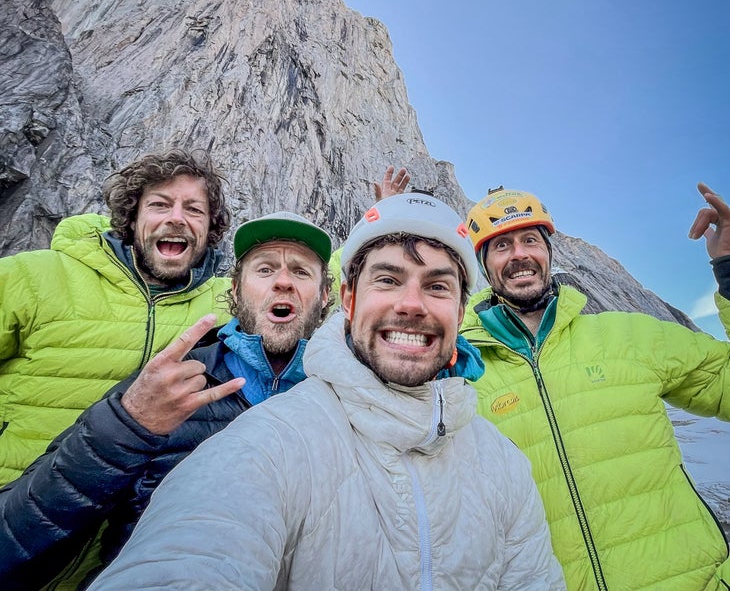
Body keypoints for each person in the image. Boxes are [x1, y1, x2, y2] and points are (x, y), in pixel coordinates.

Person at [86, 193, 565, 591]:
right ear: (350, 300)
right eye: (388, 280)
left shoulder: (502, 464)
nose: (412, 304)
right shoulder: (270, 442)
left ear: (461, 312)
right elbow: (189, 557)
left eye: (438, 287)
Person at [0, 210, 333, 591]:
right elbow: (18, 536)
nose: (284, 282)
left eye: (302, 272)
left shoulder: (343, 398)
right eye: (265, 269)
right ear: (237, 289)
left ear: (325, 296)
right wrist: (127, 424)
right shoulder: (163, 384)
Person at [460, 183, 730, 591]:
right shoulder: (462, 371)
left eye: (530, 239)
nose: (519, 255)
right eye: (500, 246)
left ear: (549, 252)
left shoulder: (630, 336)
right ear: (484, 266)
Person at [0, 147, 232, 486]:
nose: (177, 218)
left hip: (132, 528)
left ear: (210, 226)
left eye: (194, 209)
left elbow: (319, 284)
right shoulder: (33, 276)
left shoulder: (227, 302)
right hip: (17, 506)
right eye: (159, 204)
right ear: (132, 216)